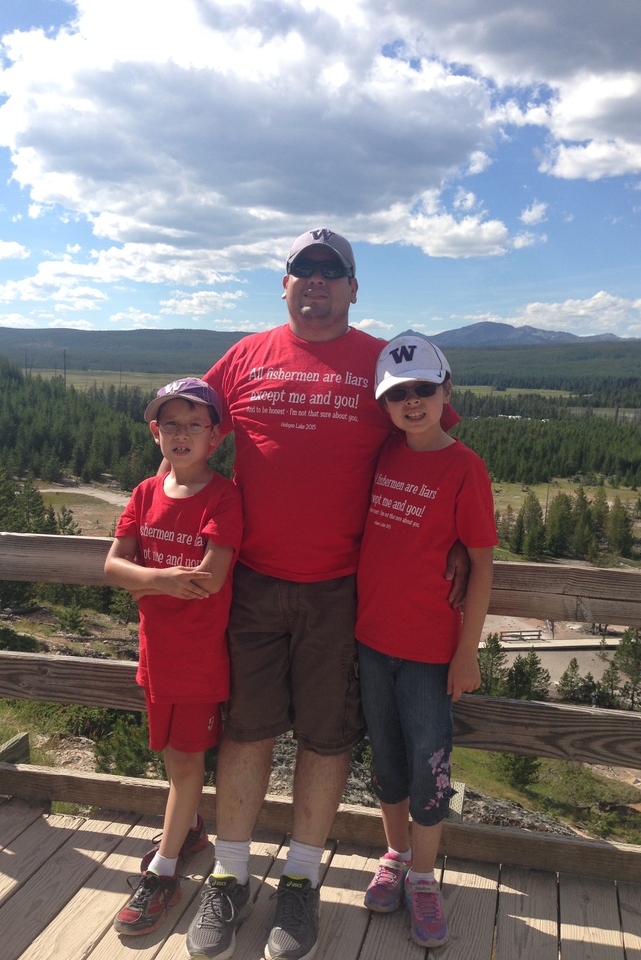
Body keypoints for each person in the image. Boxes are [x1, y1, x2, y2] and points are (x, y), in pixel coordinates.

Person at [173, 229, 468, 960]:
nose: (316, 280)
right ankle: (230, 876)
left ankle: (301, 881)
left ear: (353, 288)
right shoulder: (245, 357)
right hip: (252, 582)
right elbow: (188, 435)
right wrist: (160, 516)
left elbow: (433, 445)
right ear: (283, 284)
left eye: (331, 270)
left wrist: (458, 534)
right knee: (246, 729)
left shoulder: (382, 362)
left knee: (328, 737)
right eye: (302, 269)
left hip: (342, 590)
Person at [355, 336, 497, 949]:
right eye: (398, 394)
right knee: (387, 759)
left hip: (430, 651)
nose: (412, 402)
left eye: (423, 389)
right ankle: (395, 854)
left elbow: (483, 563)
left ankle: (424, 877)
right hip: (370, 638)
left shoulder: (465, 467)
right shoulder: (384, 451)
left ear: (447, 391)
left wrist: (467, 651)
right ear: (384, 405)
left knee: (430, 764)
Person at [106, 377, 242, 937]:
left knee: (186, 765)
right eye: (170, 425)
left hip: (198, 660)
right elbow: (113, 566)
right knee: (171, 758)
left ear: (215, 436)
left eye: (194, 425)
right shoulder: (145, 493)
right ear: (154, 432)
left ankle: (164, 873)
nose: (181, 434)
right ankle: (188, 833)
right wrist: (162, 580)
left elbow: (210, 579)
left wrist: (144, 581)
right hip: (155, 654)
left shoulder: (223, 497)